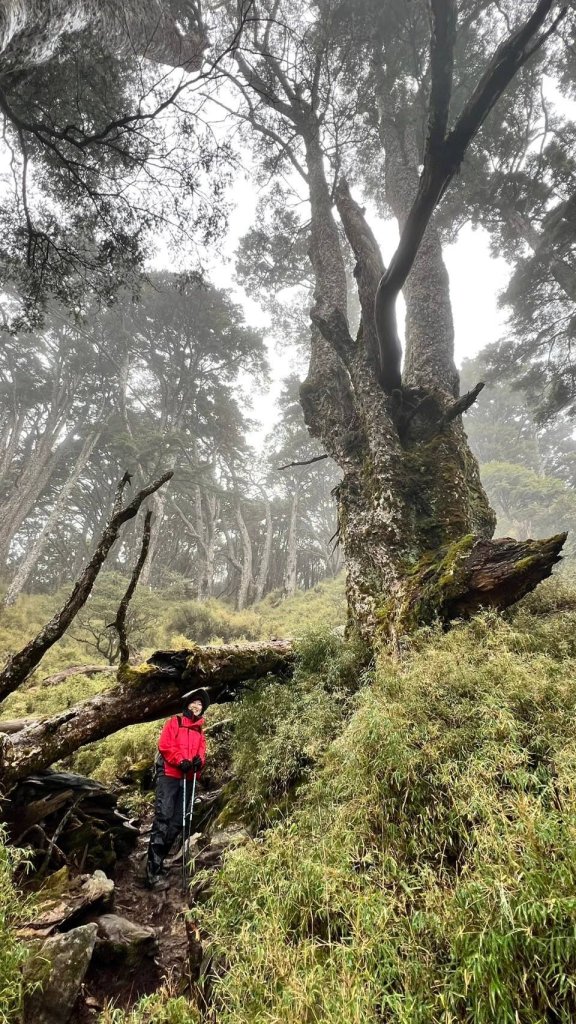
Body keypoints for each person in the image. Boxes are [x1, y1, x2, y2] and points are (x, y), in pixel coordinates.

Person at [144, 687, 209, 890]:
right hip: (170, 777)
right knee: (163, 818)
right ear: (187, 704)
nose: (196, 706)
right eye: (193, 702)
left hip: (188, 780)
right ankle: (152, 872)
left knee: (178, 822)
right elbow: (164, 745)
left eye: (200, 704)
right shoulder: (175, 722)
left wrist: (199, 762)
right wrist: (180, 760)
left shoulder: (200, 731)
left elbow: (202, 753)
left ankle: (160, 861)